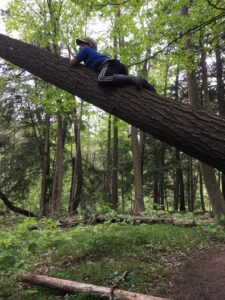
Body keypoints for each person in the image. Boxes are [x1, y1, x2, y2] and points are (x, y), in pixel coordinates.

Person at [70, 37, 156, 93]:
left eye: (82, 44)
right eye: (79, 46)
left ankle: (132, 78)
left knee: (102, 79)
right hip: (116, 67)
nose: (80, 47)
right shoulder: (91, 55)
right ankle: (147, 87)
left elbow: (73, 62)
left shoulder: (86, 50)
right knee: (129, 84)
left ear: (89, 45)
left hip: (109, 64)